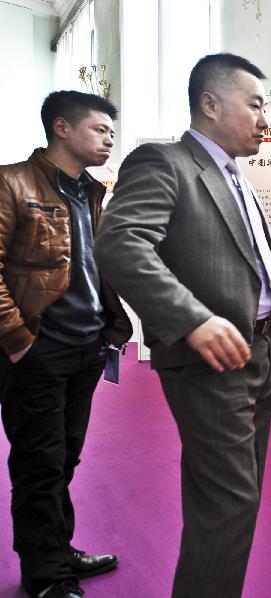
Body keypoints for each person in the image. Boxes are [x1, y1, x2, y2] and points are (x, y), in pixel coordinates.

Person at [93, 53, 271, 598]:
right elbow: (119, 242)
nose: (265, 119)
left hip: (263, 350)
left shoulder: (236, 176)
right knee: (227, 502)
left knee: (237, 498)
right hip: (211, 359)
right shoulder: (164, 162)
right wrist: (192, 320)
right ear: (210, 103)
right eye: (254, 104)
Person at [0, 91, 132, 598]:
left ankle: (57, 547)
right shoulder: (12, 182)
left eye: (110, 131)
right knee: (39, 462)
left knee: (66, 457)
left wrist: (109, 333)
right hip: (37, 347)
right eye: (100, 129)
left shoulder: (92, 193)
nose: (109, 138)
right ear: (62, 127)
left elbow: (96, 269)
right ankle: (47, 575)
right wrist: (17, 341)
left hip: (87, 346)